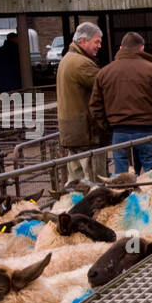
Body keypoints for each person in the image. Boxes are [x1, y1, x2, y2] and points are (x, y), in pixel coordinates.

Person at [88, 31, 152, 176]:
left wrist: (109, 126)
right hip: (151, 131)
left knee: (123, 181)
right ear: (141, 49)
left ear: (121, 49)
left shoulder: (104, 73)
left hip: (120, 132)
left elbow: (95, 106)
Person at [57, 22, 107, 184]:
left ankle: (75, 206)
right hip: (86, 132)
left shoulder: (67, 59)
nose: (99, 46)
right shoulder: (82, 64)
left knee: (76, 181)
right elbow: (105, 86)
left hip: (71, 131)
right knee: (95, 181)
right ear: (84, 41)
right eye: (96, 42)